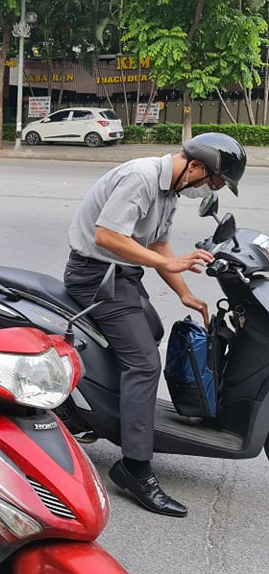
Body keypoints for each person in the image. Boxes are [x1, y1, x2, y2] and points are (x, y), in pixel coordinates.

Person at [63, 132, 247, 517]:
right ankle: (134, 468)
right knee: (144, 362)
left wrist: (184, 293)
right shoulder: (142, 178)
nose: (208, 190)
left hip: (122, 275)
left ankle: (99, 409)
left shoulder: (169, 190)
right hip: (96, 276)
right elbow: (107, 235)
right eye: (213, 183)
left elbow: (160, 245)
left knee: (152, 334)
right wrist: (166, 264)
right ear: (196, 167)